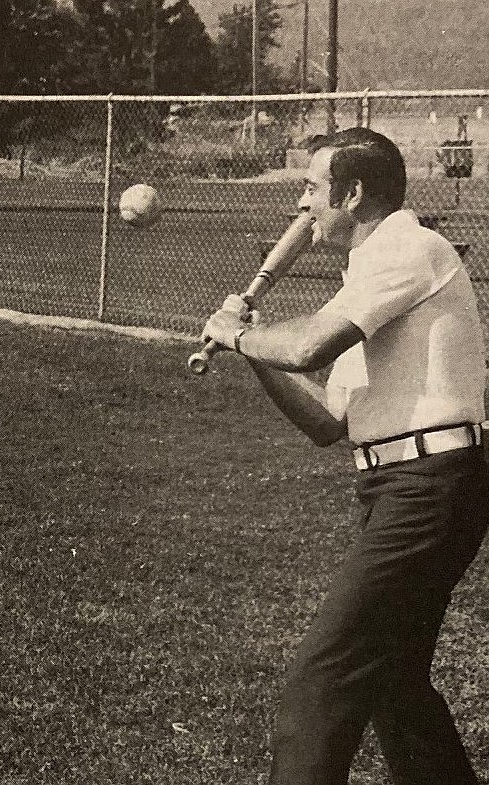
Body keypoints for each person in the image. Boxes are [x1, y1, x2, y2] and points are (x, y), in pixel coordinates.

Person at [202, 126, 488, 784]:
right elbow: (326, 420)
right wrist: (247, 345)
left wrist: (241, 337)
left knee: (322, 675)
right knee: (393, 681)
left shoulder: (409, 250)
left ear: (352, 192)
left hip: (431, 485)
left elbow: (306, 347)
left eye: (310, 188)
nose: (302, 207)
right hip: (400, 487)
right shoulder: (366, 275)